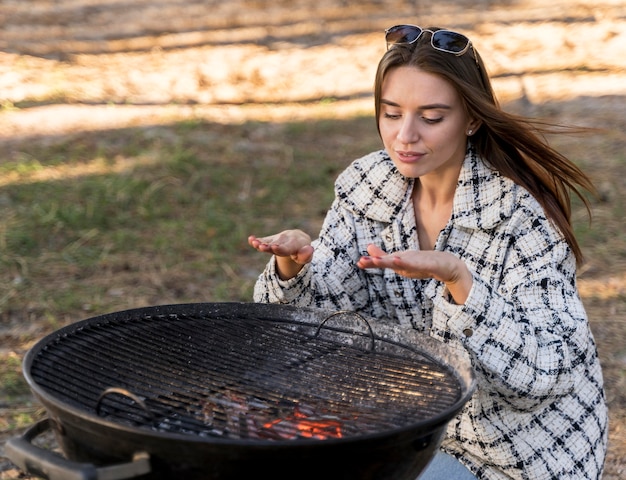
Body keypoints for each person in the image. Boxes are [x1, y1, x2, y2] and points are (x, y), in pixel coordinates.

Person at [248, 25, 608, 479]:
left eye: (432, 117)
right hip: (403, 432)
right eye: (391, 113)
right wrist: (296, 267)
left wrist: (461, 282)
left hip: (513, 453)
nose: (405, 136)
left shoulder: (519, 215)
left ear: (471, 120)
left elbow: (547, 372)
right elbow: (342, 332)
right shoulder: (367, 186)